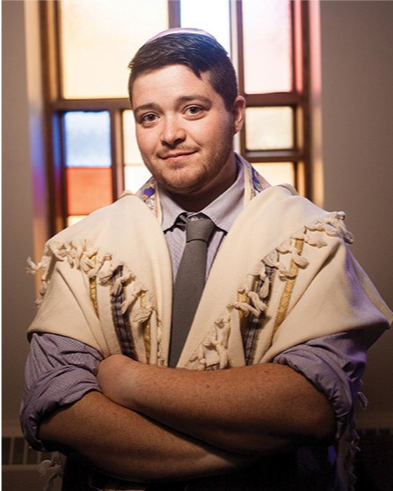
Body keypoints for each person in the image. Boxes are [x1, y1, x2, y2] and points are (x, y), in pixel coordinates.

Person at [21, 28, 392, 491]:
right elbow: (54, 406)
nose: (170, 134)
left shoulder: (310, 240)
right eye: (149, 116)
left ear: (236, 113)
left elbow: (311, 407)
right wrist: (248, 458)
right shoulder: (84, 247)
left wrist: (126, 379)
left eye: (193, 109)